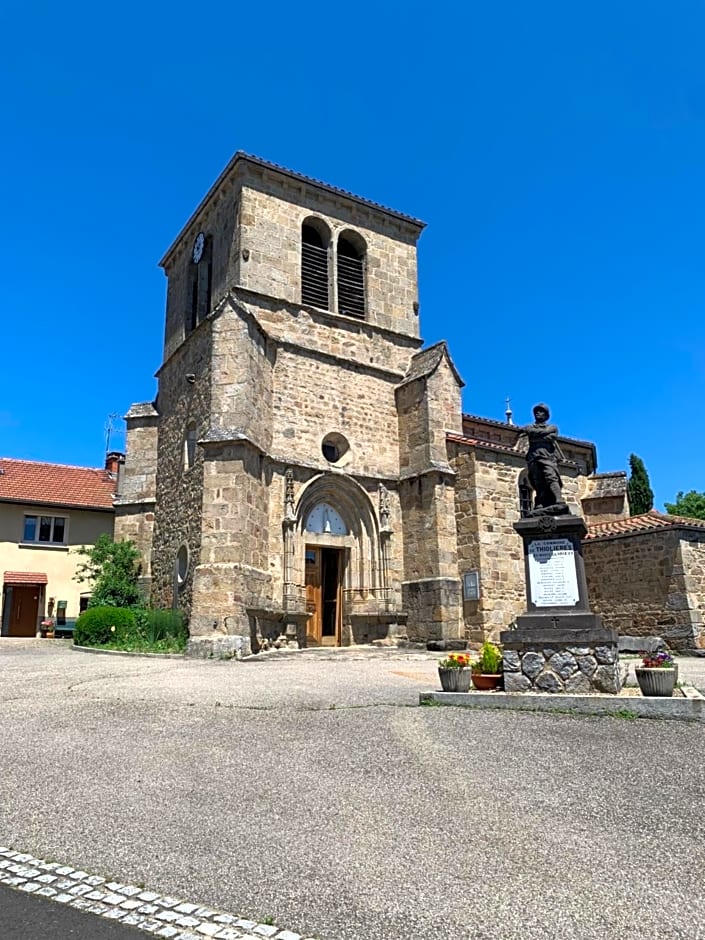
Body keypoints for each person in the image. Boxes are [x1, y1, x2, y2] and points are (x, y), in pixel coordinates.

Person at [515, 403, 566, 512]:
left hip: (547, 457)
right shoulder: (530, 427)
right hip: (533, 457)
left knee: (551, 476)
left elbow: (550, 435)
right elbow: (532, 432)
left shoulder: (552, 427)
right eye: (536, 411)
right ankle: (541, 501)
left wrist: (535, 434)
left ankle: (558, 499)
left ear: (546, 415)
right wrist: (541, 435)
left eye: (541, 411)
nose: (538, 413)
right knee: (537, 480)